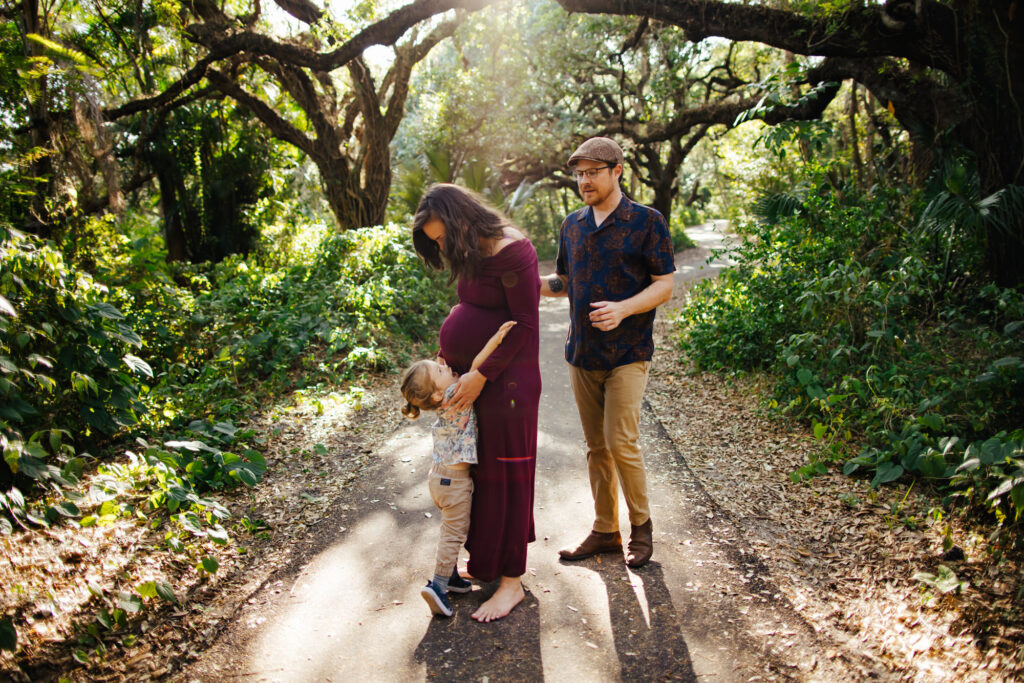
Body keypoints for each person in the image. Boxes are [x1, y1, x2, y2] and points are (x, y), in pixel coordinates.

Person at [539, 136, 675, 569]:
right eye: (579, 174)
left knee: (621, 442)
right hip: (582, 354)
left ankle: (642, 527)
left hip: (628, 353)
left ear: (617, 171)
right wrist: (519, 283)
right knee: (597, 447)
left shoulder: (646, 221)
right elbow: (563, 281)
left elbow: (665, 284)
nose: (584, 181)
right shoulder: (573, 225)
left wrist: (623, 309)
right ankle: (604, 530)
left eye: (593, 172)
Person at [411, 183, 541, 622]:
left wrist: (481, 374)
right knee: (480, 476)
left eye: (442, 237)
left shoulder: (513, 251)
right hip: (474, 385)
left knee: (508, 477)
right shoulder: (472, 251)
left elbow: (523, 323)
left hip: (507, 387)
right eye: (435, 243)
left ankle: (511, 583)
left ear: (460, 219)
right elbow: (476, 307)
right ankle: (488, 566)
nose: (442, 246)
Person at [399, 321, 517, 617]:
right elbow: (477, 365)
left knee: (452, 528)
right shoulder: (456, 394)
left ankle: (450, 577)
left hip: (440, 479)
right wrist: (495, 338)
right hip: (454, 482)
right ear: (439, 394)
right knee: (453, 533)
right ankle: (437, 586)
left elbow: (443, 367)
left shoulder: (441, 399)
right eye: (440, 371)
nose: (446, 366)